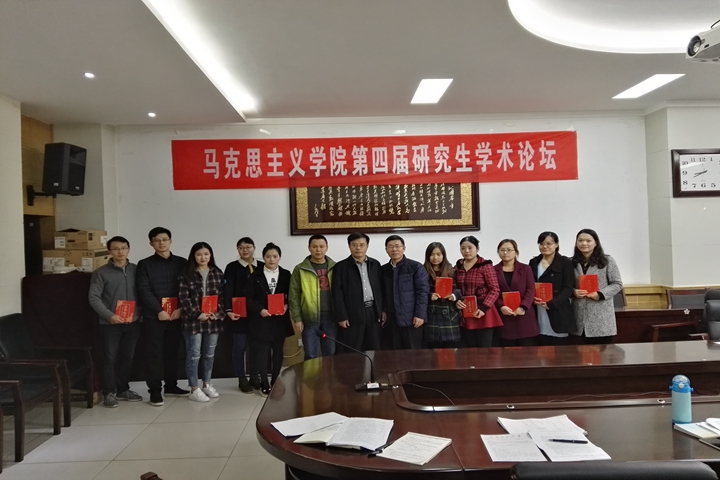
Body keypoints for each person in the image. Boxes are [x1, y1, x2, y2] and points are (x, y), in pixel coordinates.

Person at [136, 227, 189, 407]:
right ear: (151, 243)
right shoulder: (145, 264)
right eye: (157, 240)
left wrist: (181, 308)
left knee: (173, 352)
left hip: (176, 315)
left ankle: (171, 385)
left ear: (170, 241)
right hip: (154, 317)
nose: (161, 243)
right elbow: (143, 289)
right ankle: (155, 391)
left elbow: (188, 288)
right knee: (154, 355)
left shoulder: (182, 263)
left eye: (165, 239)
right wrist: (158, 310)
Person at [88, 236, 143, 408]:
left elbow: (144, 293)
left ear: (128, 249)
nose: (120, 252)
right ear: (109, 251)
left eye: (124, 248)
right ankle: (109, 392)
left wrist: (140, 314)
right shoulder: (101, 273)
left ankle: (123, 389)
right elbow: (94, 298)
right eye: (116, 248)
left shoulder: (137, 270)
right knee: (109, 358)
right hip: (110, 323)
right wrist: (109, 315)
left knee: (128, 357)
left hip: (133, 322)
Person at [179, 242, 226, 403]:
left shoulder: (217, 273)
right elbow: (184, 298)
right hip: (193, 321)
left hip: (213, 321)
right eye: (199, 254)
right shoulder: (186, 274)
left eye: (206, 254)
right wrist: (198, 314)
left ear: (210, 255)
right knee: (194, 355)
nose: (203, 257)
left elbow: (223, 297)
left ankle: (206, 384)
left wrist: (217, 314)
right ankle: (194, 388)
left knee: (209, 355)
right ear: (193, 256)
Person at [245, 242, 294, 396]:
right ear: (263, 258)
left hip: (280, 319)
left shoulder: (286, 274)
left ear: (279, 257)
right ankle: (264, 382)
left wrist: (286, 306)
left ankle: (275, 380)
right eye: (268, 257)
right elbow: (248, 298)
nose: (271, 260)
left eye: (275, 256)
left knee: (278, 350)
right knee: (263, 352)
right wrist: (260, 310)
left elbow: (292, 295)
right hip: (262, 319)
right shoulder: (255, 275)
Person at [223, 237, 263, 393]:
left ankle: (254, 376)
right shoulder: (232, 267)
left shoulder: (262, 266)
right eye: (241, 248)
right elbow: (227, 290)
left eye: (248, 247)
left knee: (255, 347)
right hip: (238, 314)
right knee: (239, 347)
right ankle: (241, 377)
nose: (245, 250)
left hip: (257, 314)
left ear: (254, 248)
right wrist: (228, 310)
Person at [331, 232, 383, 352]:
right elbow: (337, 293)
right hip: (352, 313)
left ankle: (372, 365)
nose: (358, 248)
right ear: (349, 246)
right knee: (353, 347)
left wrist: (382, 310)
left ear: (367, 246)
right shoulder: (341, 267)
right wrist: (342, 316)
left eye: (361, 245)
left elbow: (381, 289)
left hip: (373, 311)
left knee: (374, 346)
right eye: (354, 245)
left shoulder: (375, 264)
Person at [289, 234, 337, 360]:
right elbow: (294, 295)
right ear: (309, 248)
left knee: (331, 353)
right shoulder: (300, 269)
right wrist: (297, 318)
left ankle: (329, 374)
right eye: (314, 247)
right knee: (310, 354)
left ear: (327, 248)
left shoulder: (335, 267)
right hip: (309, 317)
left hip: (331, 317)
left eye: (321, 246)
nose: (318, 250)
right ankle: (311, 374)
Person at [572, 228, 623, 344]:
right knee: (578, 353)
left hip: (601, 317)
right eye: (580, 240)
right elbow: (567, 285)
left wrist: (600, 294)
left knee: (602, 353)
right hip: (578, 317)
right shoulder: (571, 262)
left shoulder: (607, 260)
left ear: (595, 242)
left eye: (588, 241)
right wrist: (573, 292)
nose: (584, 243)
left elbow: (617, 284)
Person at [528, 231, 576, 345]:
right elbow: (529, 284)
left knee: (560, 347)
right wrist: (532, 298)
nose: (545, 246)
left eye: (549, 243)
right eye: (541, 244)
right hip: (538, 308)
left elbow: (568, 288)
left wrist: (552, 303)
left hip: (558, 308)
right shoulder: (534, 262)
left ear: (557, 244)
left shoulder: (565, 263)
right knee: (542, 345)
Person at [381, 235, 429, 349]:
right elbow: (381, 293)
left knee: (412, 352)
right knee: (393, 353)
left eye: (397, 246)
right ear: (386, 250)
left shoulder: (415, 267)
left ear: (404, 248)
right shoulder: (383, 270)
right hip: (391, 320)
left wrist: (420, 315)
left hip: (412, 319)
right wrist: (383, 311)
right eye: (390, 247)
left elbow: (422, 292)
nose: (394, 249)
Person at [454, 235, 502, 347]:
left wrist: (484, 308)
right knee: (470, 347)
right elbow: (455, 288)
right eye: (463, 248)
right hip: (466, 310)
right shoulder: (458, 267)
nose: (466, 251)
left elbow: (495, 289)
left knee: (484, 348)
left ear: (477, 249)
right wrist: (457, 301)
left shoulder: (485, 266)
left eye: (470, 248)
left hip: (484, 311)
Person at [493, 239, 539, 347]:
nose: (505, 253)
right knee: (507, 352)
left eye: (509, 250)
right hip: (504, 315)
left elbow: (530, 289)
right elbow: (492, 291)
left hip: (524, 315)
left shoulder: (526, 268)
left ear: (516, 252)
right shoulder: (493, 270)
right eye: (502, 250)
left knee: (527, 352)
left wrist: (523, 307)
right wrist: (500, 306)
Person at [423, 242, 462, 348]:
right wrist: (430, 295)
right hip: (431, 315)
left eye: (439, 254)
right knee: (433, 350)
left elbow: (459, 289)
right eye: (432, 254)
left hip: (449, 315)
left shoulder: (451, 270)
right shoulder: (422, 271)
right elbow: (419, 291)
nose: (435, 257)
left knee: (451, 351)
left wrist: (454, 296)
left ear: (443, 255)